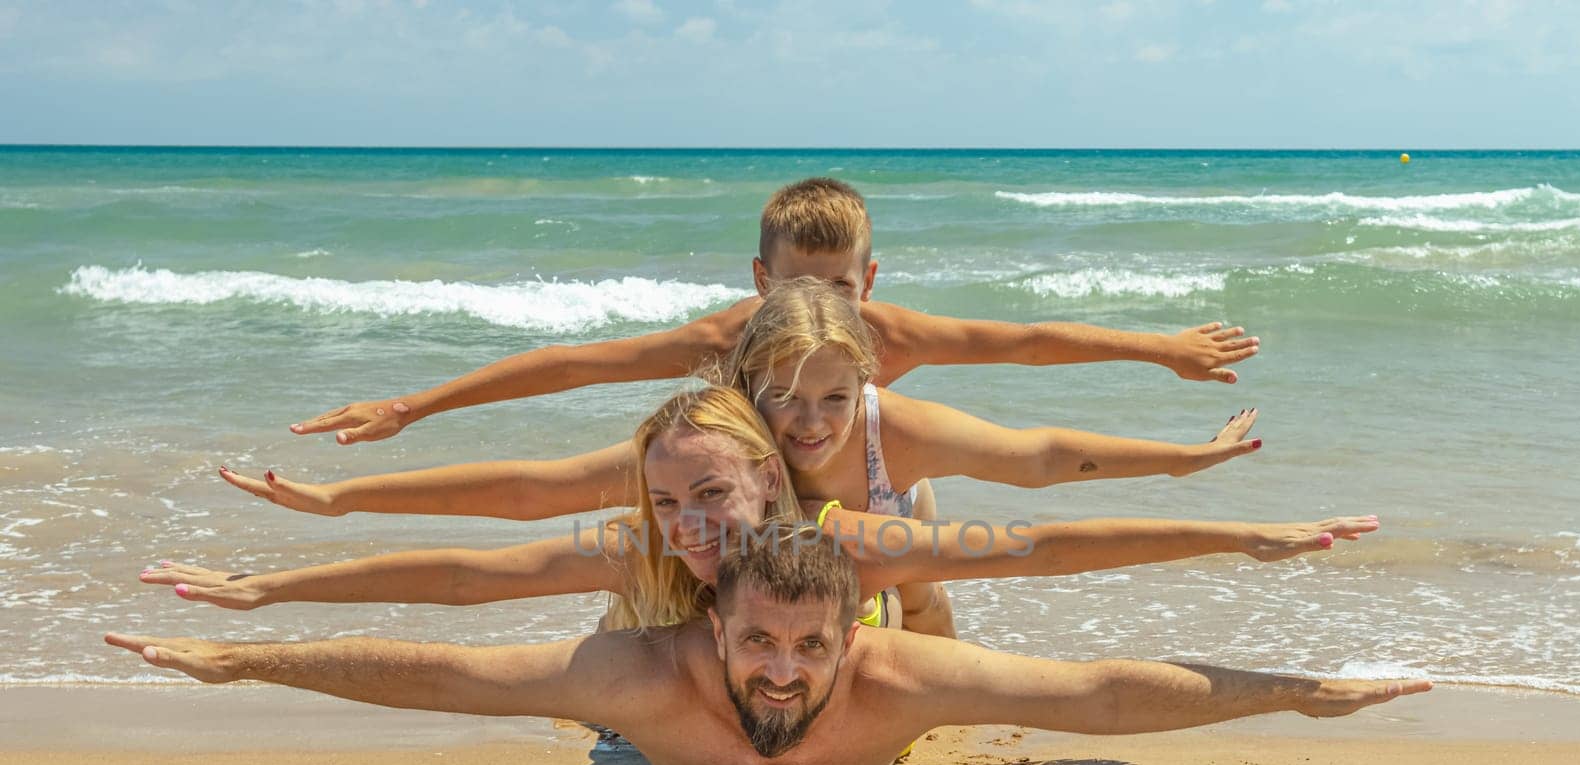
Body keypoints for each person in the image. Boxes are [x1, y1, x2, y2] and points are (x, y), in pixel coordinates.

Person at [106, 526, 1431, 765]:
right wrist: (237, 656)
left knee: (1007, 698)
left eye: (810, 643)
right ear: (712, 628)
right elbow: (447, 671)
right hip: (652, 756)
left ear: (854, 635)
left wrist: (1301, 689)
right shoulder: (639, 671)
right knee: (583, 732)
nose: (784, 667)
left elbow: (1098, 692)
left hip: (890, 727)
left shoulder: (899, 673)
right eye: (758, 639)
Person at [216, 283, 1262, 639]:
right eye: (783, 401)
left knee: (931, 546)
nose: (808, 425)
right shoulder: (710, 454)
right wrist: (346, 495)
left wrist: (1178, 459)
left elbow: (1043, 455)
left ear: (865, 376)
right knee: (615, 556)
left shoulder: (887, 426)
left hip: (849, 597)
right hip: (713, 608)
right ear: (747, 389)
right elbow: (529, 488)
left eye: (832, 401)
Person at [150, 387, 1373, 636]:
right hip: (678, 668)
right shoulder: (642, 538)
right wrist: (274, 583)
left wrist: (1240, 529)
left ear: (772, 487)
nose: (690, 520)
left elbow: (1039, 536)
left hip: (831, 623)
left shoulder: (832, 535)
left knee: (929, 573)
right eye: (668, 497)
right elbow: (477, 564)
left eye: (713, 497)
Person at [285, 177, 1261, 448]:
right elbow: (571, 361)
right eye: (799, 284)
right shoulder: (721, 340)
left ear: (868, 283)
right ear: (760, 280)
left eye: (840, 286)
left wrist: (1158, 349)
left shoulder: (893, 337)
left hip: (863, 489)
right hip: (754, 498)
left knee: (919, 529)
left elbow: (1031, 341)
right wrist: (411, 406)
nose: (819, 304)